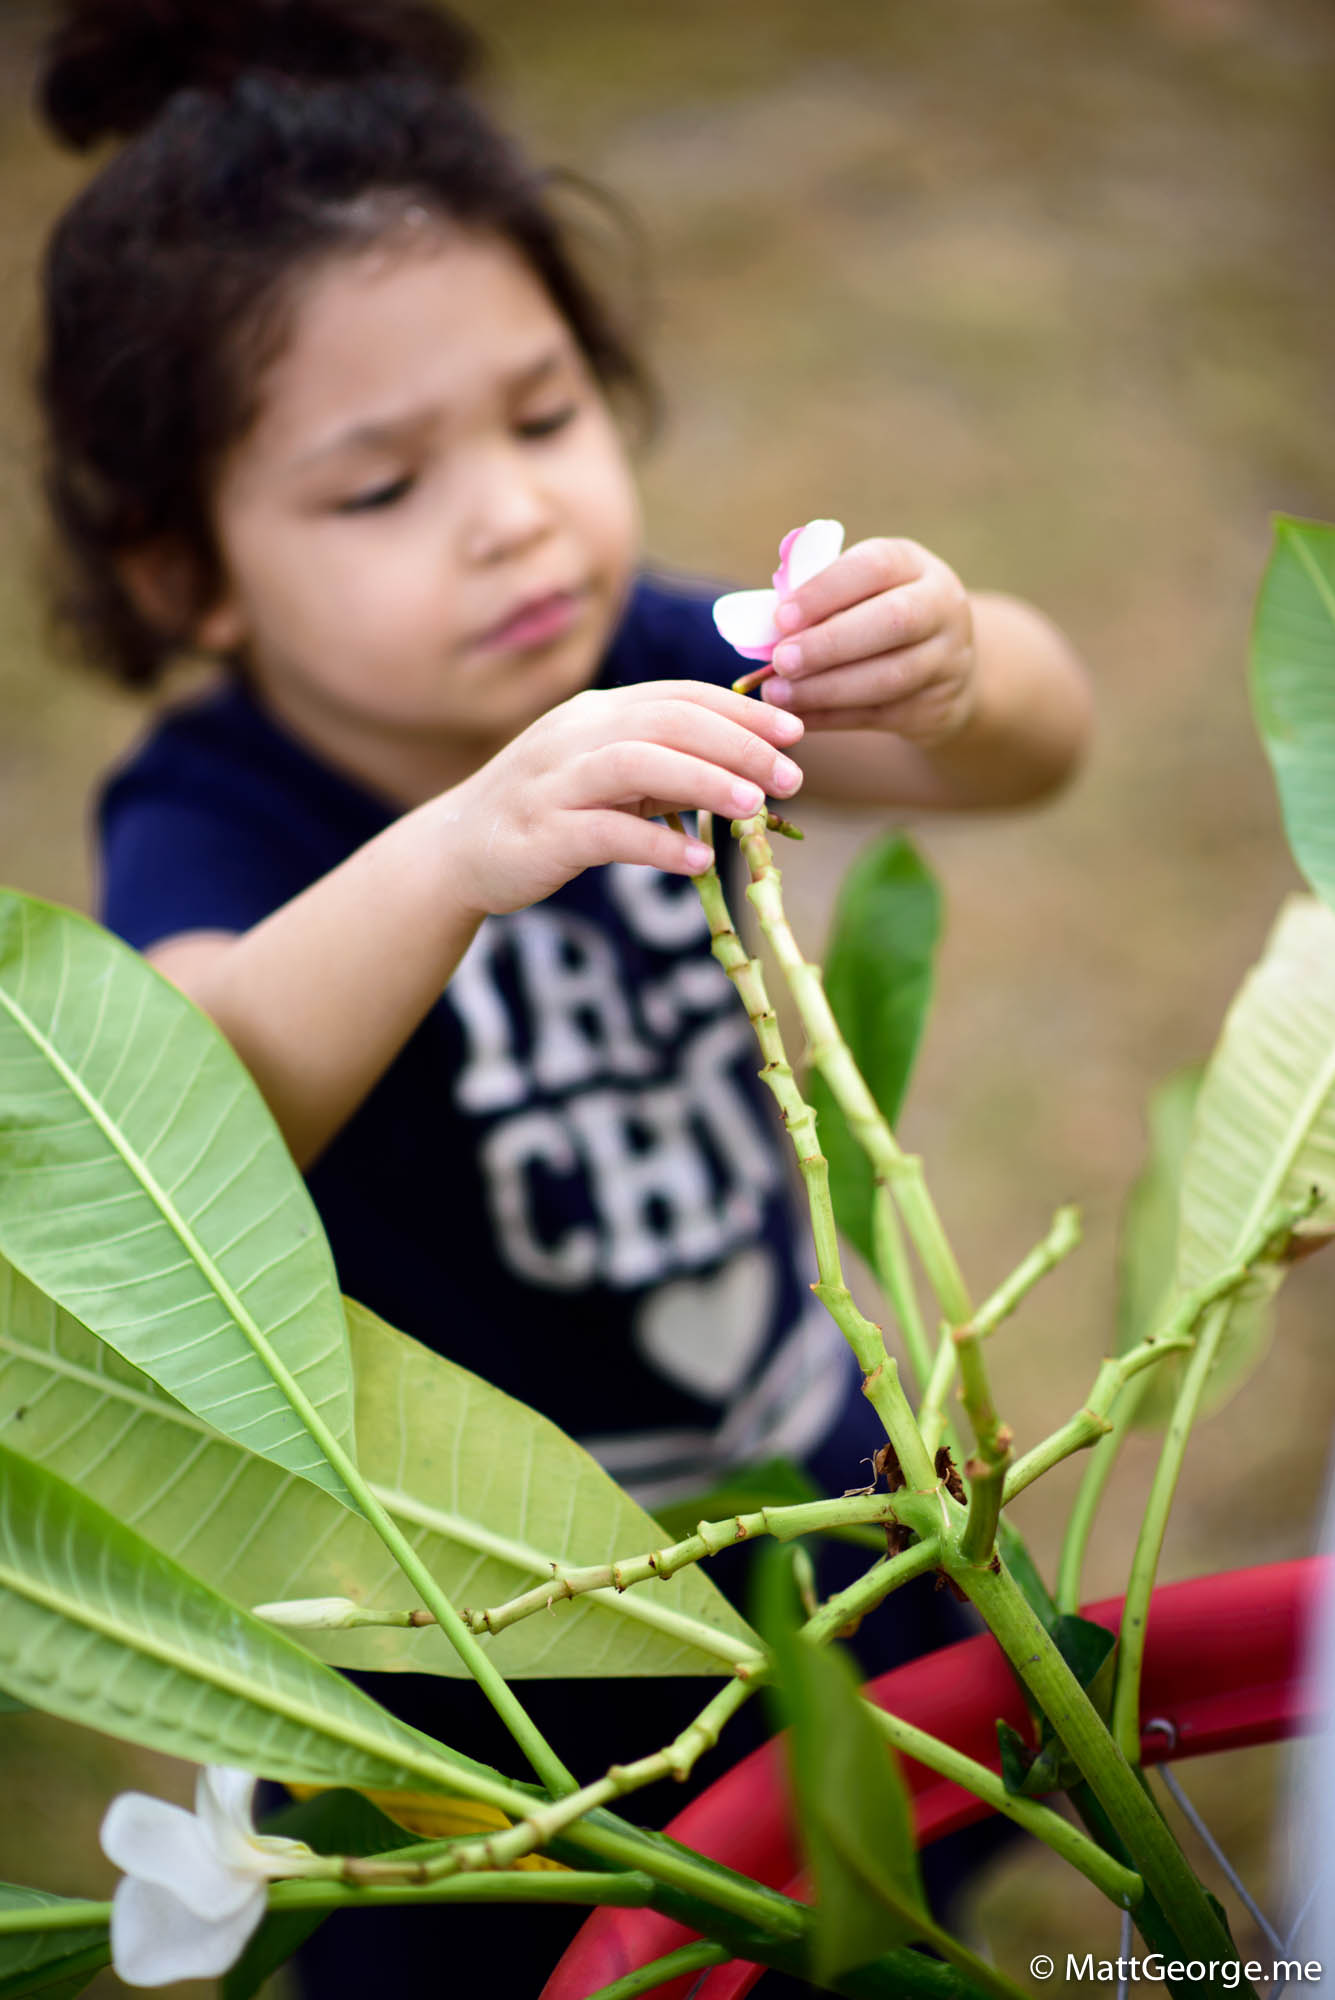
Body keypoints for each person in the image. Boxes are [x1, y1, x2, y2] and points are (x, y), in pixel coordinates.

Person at [35, 1, 1093, 1988]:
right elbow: (175, 1126)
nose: (513, 512)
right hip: (498, 1643)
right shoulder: (215, 811)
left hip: (824, 1497)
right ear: (191, 577)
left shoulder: (656, 644)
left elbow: (1028, 755)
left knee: (908, 1876)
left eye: (540, 416)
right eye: (379, 488)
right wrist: (444, 852)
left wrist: (957, 672)